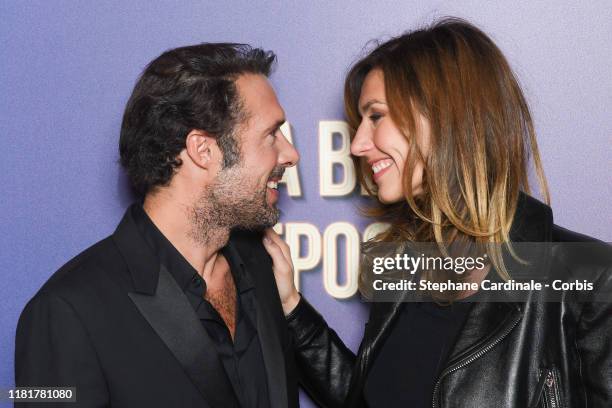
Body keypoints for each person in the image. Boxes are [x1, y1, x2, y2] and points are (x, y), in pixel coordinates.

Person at [262, 18, 612, 408]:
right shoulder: (401, 264)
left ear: (443, 117)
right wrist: (291, 306)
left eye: (375, 116)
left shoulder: (593, 280)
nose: (359, 144)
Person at [15, 43, 300, 407]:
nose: (291, 154)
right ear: (202, 150)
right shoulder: (65, 311)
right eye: (271, 135)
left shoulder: (260, 267)